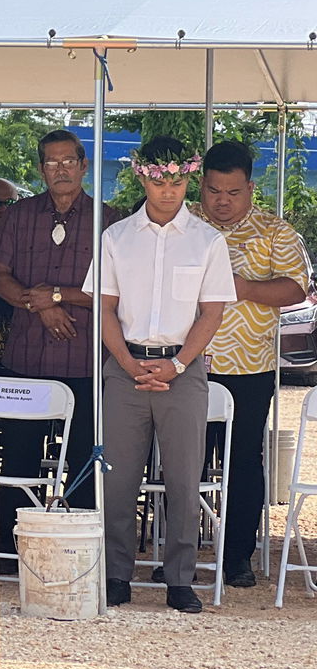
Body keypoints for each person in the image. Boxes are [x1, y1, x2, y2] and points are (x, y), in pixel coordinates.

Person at [91, 137, 234, 613]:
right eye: (158, 179)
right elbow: (104, 308)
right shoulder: (115, 237)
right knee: (117, 478)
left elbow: (211, 312)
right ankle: (116, 574)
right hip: (125, 364)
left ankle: (179, 579)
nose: (168, 190)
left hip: (183, 367)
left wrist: (176, 364)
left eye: (176, 180)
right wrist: (128, 363)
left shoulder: (208, 240)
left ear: (188, 178)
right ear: (141, 177)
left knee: (183, 476)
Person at [0, 130, 119, 560]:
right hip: (27, 356)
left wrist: (58, 296)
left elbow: (118, 291)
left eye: (68, 161)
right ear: (41, 168)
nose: (60, 169)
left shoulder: (110, 221)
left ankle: (74, 551)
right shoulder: (19, 215)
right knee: (20, 457)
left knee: (83, 458)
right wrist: (37, 304)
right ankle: (11, 549)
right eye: (51, 162)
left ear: (84, 166)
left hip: (87, 359)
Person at [194, 139, 310, 588]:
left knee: (243, 460)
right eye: (213, 190)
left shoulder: (276, 232)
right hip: (187, 363)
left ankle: (238, 555)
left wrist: (244, 288)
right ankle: (181, 555)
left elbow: (296, 289)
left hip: (248, 367)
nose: (221, 201)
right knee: (186, 462)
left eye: (233, 192)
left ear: (250, 188)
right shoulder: (184, 225)